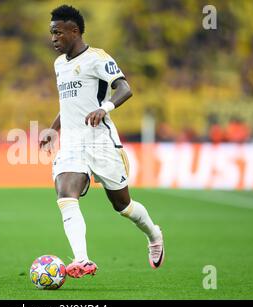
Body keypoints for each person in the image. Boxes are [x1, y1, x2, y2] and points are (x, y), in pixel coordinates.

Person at [39, 5, 164, 278]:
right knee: (65, 194)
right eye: (51, 34)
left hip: (101, 141)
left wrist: (104, 108)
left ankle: (154, 234)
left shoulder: (98, 58)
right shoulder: (59, 65)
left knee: (123, 206)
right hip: (72, 144)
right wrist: (53, 129)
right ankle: (82, 259)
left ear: (74, 31)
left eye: (57, 33)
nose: (53, 38)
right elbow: (69, 103)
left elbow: (125, 87)